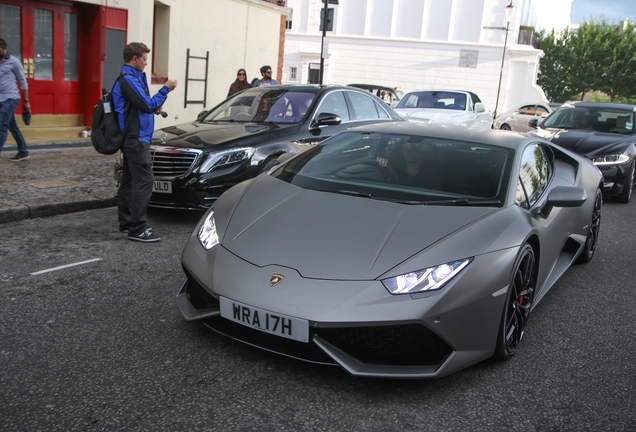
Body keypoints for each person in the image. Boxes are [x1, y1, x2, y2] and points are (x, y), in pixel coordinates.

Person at [112, 42, 177, 242]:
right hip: (136, 139)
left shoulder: (133, 78)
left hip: (135, 138)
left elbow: (140, 106)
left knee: (129, 181)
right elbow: (148, 104)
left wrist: (153, 106)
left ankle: (126, 223)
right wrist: (165, 89)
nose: (146, 63)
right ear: (135, 59)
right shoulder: (129, 79)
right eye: (145, 59)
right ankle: (138, 229)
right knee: (145, 181)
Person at [0, 38, 30, 161]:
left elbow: (23, 82)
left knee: (1, 125)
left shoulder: (14, 62)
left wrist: (26, 101)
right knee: (12, 126)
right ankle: (23, 151)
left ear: (2, 47)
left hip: (10, 98)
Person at [377, 142, 442, 189]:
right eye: (406, 150)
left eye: (414, 150)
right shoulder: (394, 167)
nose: (409, 153)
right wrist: (382, 169)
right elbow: (385, 183)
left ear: (422, 153)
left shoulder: (431, 174)